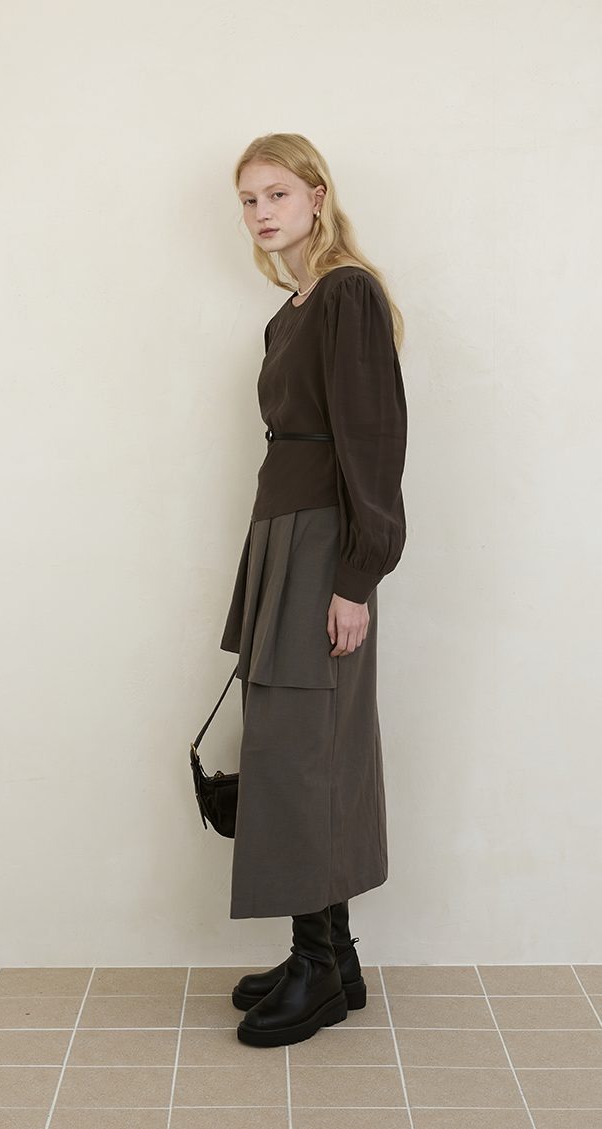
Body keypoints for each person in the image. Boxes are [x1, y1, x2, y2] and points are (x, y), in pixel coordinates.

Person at [220, 133, 407, 1047]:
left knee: (303, 745)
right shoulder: (288, 311)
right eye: (248, 200)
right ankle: (332, 954)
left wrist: (355, 576)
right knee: (295, 737)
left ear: (317, 197)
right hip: (281, 539)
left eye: (277, 194)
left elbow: (373, 439)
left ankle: (316, 966)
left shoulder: (345, 294)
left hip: (323, 543)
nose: (261, 213)